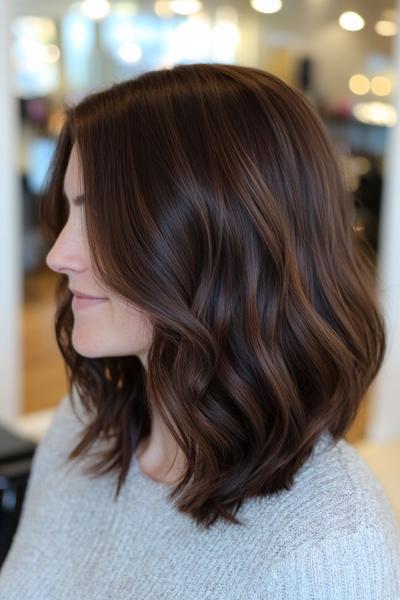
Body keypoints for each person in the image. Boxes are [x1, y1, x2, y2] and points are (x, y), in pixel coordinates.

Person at [0, 62, 399, 599]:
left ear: (222, 238)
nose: (58, 255)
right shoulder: (87, 422)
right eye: (71, 213)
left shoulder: (330, 548)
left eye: (100, 217)